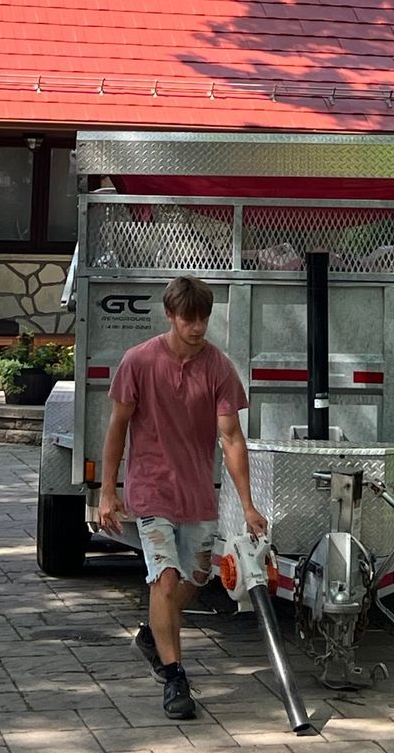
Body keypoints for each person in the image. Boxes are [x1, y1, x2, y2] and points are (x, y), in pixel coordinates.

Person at [97, 275, 267, 721]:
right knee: (165, 579)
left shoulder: (218, 367)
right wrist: (108, 490)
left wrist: (248, 504)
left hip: (196, 492)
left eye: (203, 319)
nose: (197, 328)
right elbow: (117, 427)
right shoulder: (139, 361)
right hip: (150, 489)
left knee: (195, 579)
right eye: (188, 319)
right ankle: (175, 676)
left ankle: (152, 637)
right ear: (170, 315)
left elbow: (231, 437)